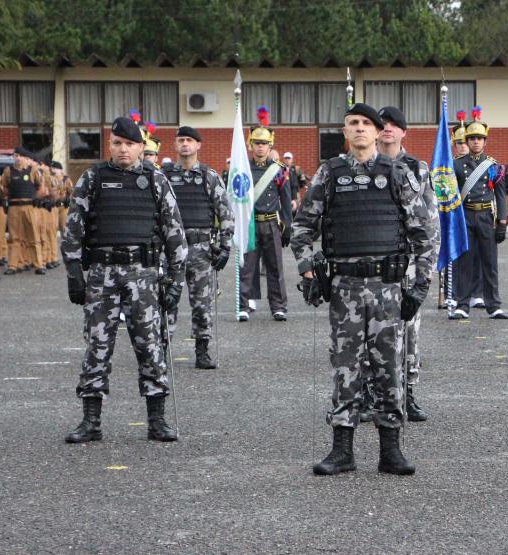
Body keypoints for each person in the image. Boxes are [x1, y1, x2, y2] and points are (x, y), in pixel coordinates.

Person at [291, 103, 434, 476]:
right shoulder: (330, 174)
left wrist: (419, 286)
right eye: (352, 123)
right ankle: (342, 451)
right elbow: (302, 228)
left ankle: (391, 450)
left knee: (389, 367)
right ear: (345, 132)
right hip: (345, 288)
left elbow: (424, 234)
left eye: (365, 124)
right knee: (345, 367)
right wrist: (308, 272)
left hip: (388, 287)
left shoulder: (398, 173)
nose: (359, 129)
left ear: (376, 131)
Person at [61, 116, 187, 444]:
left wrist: (176, 279)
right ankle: (91, 421)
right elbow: (73, 228)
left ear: (141, 147)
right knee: (97, 346)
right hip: (101, 277)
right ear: (110, 145)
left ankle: (157, 421)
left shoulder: (156, 179)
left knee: (150, 345)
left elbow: (175, 232)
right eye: (117, 143)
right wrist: (74, 273)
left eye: (129, 144)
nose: (123, 150)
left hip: (143, 276)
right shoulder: (92, 179)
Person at [376, 105, 437, 422]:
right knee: (371, 333)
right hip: (373, 261)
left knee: (409, 332)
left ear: (403, 132)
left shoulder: (417, 168)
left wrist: (426, 274)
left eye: (393, 124)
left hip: (409, 263)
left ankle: (408, 394)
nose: (387, 128)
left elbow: (431, 223)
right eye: (382, 124)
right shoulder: (362, 166)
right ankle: (371, 396)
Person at [161, 126, 234, 369]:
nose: (184, 144)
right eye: (181, 140)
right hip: (169, 250)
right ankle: (161, 350)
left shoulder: (209, 176)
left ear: (198, 145)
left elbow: (225, 213)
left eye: (189, 140)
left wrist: (225, 247)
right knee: (166, 300)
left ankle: (202, 350)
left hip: (201, 250)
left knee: (202, 304)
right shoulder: (163, 176)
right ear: (175, 145)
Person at [449, 107, 508, 320]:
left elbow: (501, 196)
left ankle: (494, 305)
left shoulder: (494, 166)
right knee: (465, 262)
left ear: (485, 141)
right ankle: (462, 304)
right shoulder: (455, 165)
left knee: (489, 263)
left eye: (479, 138)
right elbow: (450, 194)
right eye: (472, 138)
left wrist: (502, 221)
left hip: (486, 218)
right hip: (465, 216)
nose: (475, 142)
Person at [238, 107, 290, 322]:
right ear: (251, 145)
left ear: (270, 146)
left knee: (275, 267)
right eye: (257, 143)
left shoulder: (278, 170)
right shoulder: (243, 168)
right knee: (247, 267)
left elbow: (285, 200)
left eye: (264, 144)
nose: (260, 148)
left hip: (271, 223)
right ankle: (243, 304)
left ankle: (278, 306)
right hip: (250, 223)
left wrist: (288, 225)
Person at [2, 147, 47, 275]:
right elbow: (4, 188)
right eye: (15, 156)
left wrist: (34, 198)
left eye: (19, 156)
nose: (17, 158)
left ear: (24, 158)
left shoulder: (33, 170)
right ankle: (12, 265)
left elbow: (41, 189)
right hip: (14, 207)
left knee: (33, 236)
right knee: (14, 238)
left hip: (29, 206)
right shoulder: (8, 171)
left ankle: (39, 265)